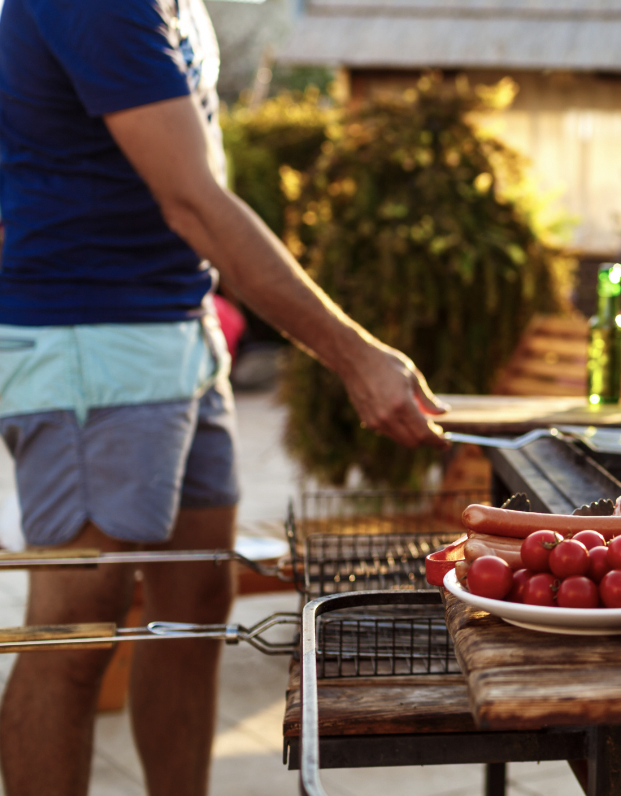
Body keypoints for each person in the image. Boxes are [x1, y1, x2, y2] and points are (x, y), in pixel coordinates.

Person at [0, 0, 449, 793]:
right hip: (91, 342)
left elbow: (189, 170)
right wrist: (353, 356)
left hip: (179, 327)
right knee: (73, 638)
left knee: (196, 606)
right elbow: (192, 198)